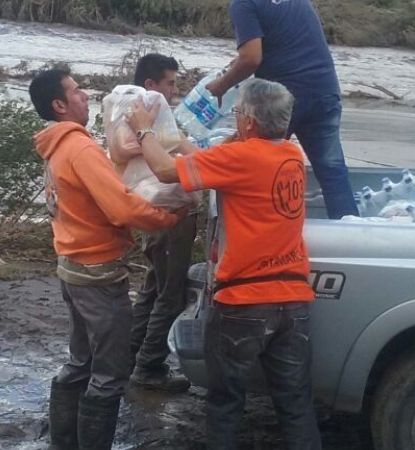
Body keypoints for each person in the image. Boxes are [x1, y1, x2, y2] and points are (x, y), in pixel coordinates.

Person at [128, 78, 322, 450]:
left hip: (244, 302)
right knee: (296, 404)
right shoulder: (292, 155)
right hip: (293, 299)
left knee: (226, 404)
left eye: (237, 114)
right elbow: (210, 157)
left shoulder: (239, 159)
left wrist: (144, 130)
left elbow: (167, 172)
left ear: (248, 120)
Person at [29, 68, 181, 450]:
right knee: (110, 375)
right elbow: (122, 209)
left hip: (72, 266)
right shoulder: (80, 149)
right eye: (76, 91)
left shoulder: (58, 146)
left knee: (80, 362)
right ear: (59, 105)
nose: (85, 96)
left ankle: (63, 443)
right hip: (98, 274)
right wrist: (167, 217)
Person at [205, 0, 358, 220]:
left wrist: (222, 85)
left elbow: (251, 58)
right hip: (325, 88)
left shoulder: (243, 4)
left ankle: (254, 231)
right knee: (332, 170)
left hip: (281, 99)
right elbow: (286, 42)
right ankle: (351, 234)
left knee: (255, 165)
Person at [126, 53, 195, 392]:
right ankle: (148, 366)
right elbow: (185, 158)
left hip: (153, 212)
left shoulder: (128, 113)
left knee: (153, 288)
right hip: (170, 213)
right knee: (170, 293)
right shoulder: (148, 119)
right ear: (150, 85)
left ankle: (129, 358)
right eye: (170, 83)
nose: (174, 91)